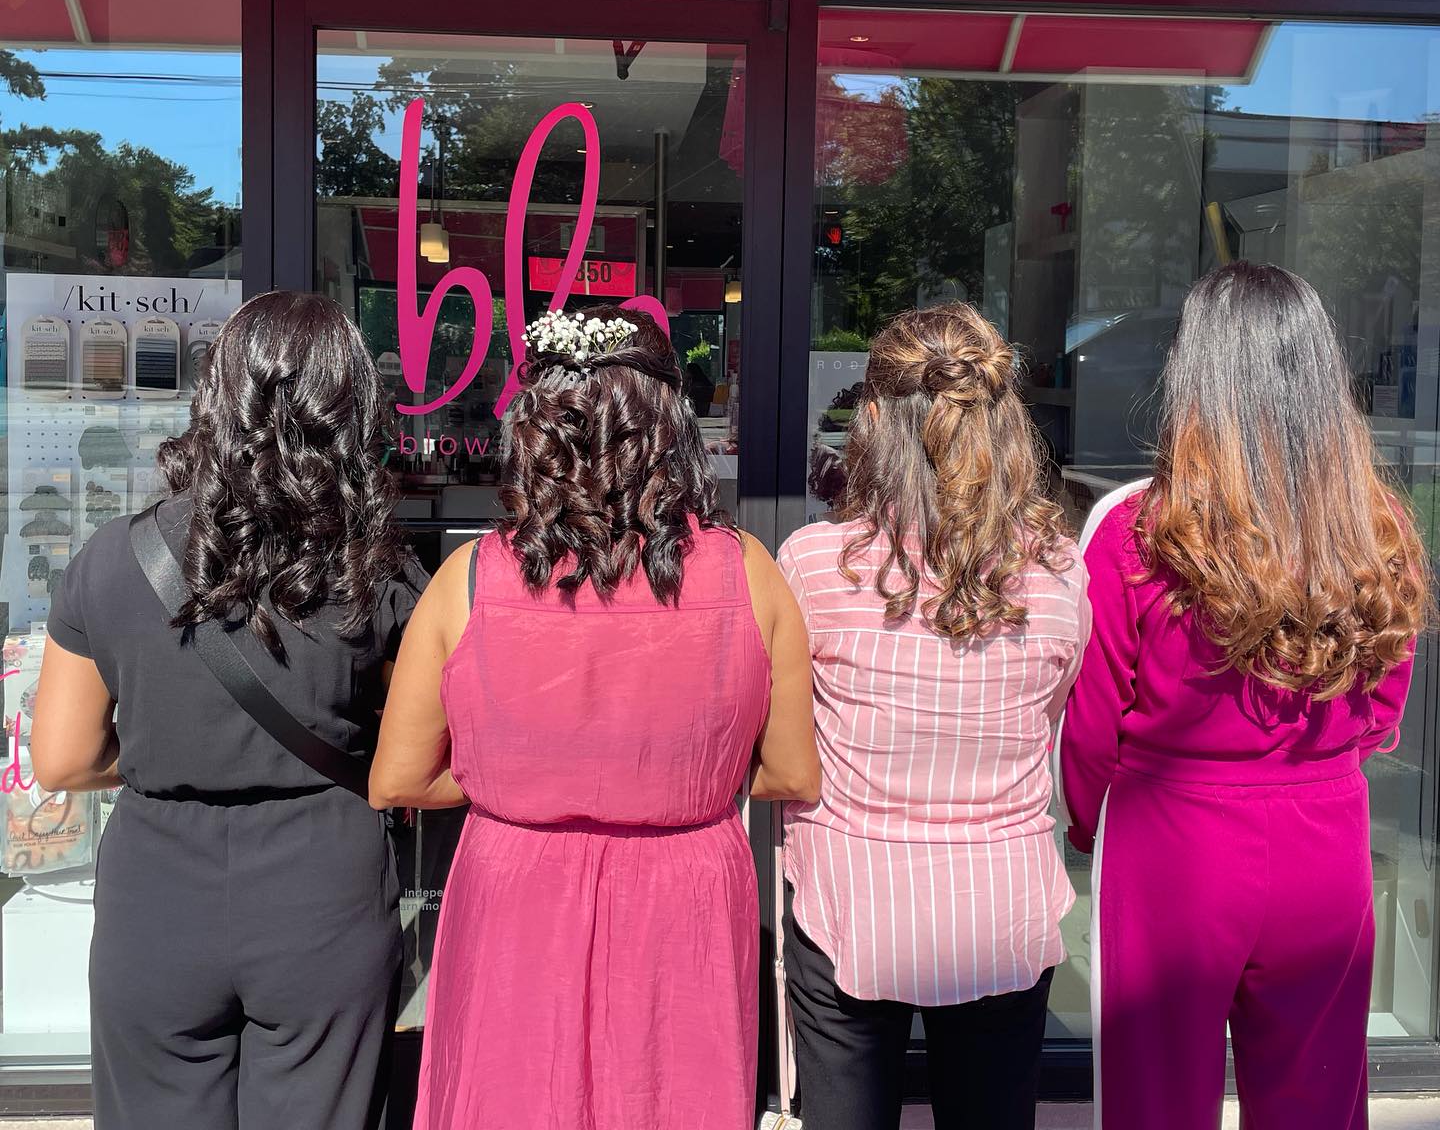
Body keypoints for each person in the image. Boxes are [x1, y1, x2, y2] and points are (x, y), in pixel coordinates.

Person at [370, 305, 820, 1130]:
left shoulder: (469, 579)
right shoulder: (748, 573)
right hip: (684, 894)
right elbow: (792, 772)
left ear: (537, 432)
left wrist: (520, 779)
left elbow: (398, 778)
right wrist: (681, 776)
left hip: (514, 887)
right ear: (672, 431)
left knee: (511, 1097)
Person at [31, 292, 425, 1130]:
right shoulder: (380, 574)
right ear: (348, 408)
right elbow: (419, 749)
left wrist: (158, 743)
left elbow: (61, 759)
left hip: (157, 894)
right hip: (325, 890)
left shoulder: (111, 560)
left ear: (215, 397)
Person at [1060, 262, 1428, 1130]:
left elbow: (1092, 723)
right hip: (1324, 835)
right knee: (1316, 1101)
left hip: (1172, 849)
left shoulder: (1134, 527)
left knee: (1155, 1105)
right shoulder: (1377, 526)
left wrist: (1086, 826)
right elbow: (1385, 699)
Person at [779, 303, 1087, 1130]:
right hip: (1000, 907)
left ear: (872, 422)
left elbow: (788, 728)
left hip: (850, 905)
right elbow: (1051, 717)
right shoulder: (1060, 571)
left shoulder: (810, 565)